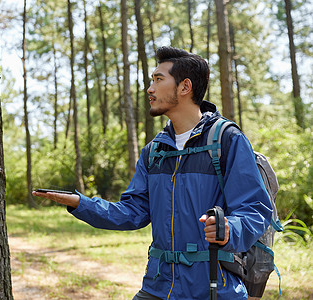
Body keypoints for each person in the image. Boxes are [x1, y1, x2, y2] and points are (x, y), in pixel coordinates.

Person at [33, 46, 273, 299]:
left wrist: (228, 229)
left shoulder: (226, 140)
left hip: (214, 287)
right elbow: (133, 212)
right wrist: (82, 204)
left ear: (184, 87)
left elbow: (255, 210)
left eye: (159, 80)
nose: (150, 88)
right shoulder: (154, 151)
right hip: (158, 286)